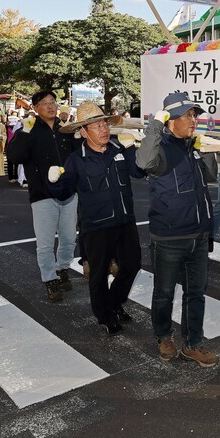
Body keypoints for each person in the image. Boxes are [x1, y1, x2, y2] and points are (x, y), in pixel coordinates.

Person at [136, 92, 219, 366]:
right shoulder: (160, 148)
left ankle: (193, 343)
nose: (193, 120)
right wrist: (154, 127)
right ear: (170, 121)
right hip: (169, 237)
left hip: (198, 235)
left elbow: (210, 177)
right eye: (187, 116)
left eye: (195, 115)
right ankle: (164, 336)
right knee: (164, 292)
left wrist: (205, 151)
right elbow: (143, 162)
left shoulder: (192, 146)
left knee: (196, 293)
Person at [51, 101, 146, 335]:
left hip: (125, 220)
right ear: (83, 132)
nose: (103, 130)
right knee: (99, 273)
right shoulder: (77, 159)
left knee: (132, 264)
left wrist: (132, 148)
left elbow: (139, 172)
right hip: (96, 226)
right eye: (96, 126)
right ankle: (105, 316)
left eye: (105, 124)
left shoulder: (119, 150)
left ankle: (114, 303)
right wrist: (53, 181)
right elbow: (64, 194)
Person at [8, 91, 79, 303]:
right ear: (35, 108)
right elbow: (15, 156)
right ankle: (50, 279)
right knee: (46, 243)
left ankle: (63, 268)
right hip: (42, 194)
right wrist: (25, 133)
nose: (50, 106)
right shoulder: (29, 129)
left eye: (53, 102)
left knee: (68, 238)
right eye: (44, 103)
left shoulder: (66, 128)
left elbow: (77, 156)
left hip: (68, 192)